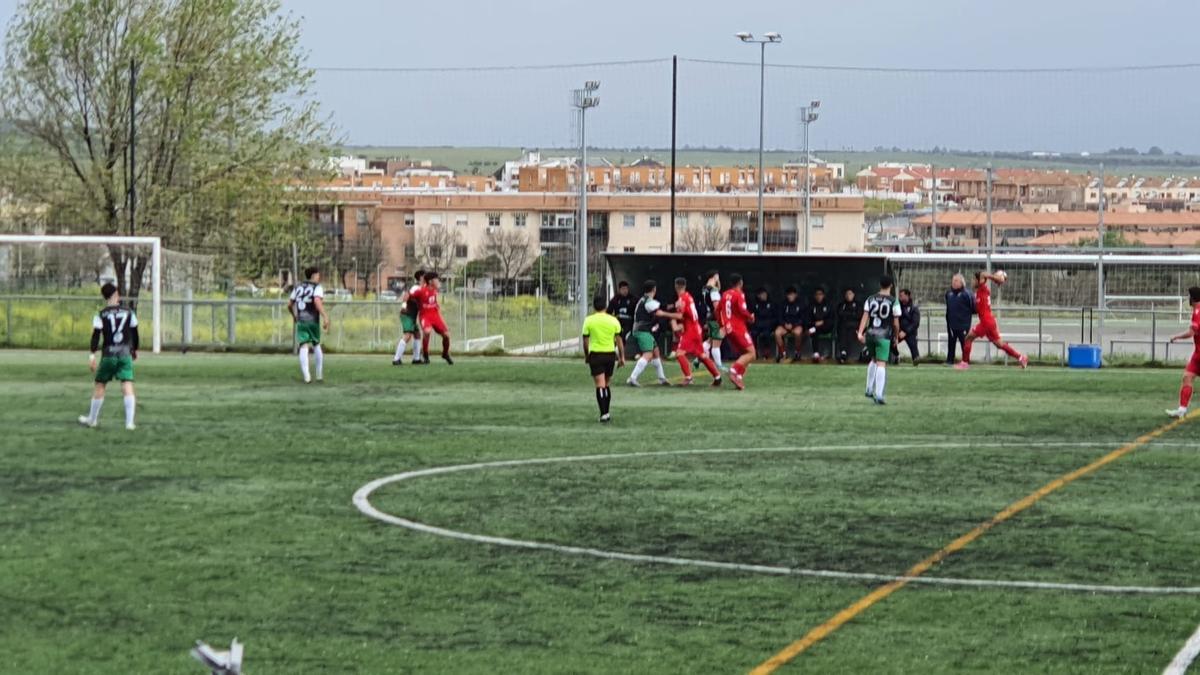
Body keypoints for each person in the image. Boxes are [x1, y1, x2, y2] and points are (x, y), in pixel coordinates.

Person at [78, 283, 138, 430]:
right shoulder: (129, 312)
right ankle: (129, 423)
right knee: (127, 384)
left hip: (108, 355)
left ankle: (92, 420)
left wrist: (92, 356)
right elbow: (135, 333)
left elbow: (95, 336)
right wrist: (134, 350)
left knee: (100, 385)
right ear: (116, 294)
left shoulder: (100, 314)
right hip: (124, 354)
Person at [957, 270, 1028, 370]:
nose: (972, 281)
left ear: (979, 281)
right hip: (989, 322)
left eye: (974, 279)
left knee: (968, 338)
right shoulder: (980, 291)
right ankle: (1021, 358)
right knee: (999, 344)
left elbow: (983, 274)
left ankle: (965, 363)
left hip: (986, 322)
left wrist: (995, 277)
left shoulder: (982, 287)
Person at [660, 277, 722, 386]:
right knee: (702, 355)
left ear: (676, 286)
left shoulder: (683, 298)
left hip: (691, 330)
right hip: (696, 328)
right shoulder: (688, 296)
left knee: (679, 353)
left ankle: (688, 378)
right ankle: (717, 377)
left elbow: (680, 315)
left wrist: (664, 314)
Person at [857, 275, 902, 405]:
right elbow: (896, 323)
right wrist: (896, 336)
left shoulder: (870, 299)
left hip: (870, 333)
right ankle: (879, 394)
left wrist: (860, 333)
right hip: (883, 335)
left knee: (873, 359)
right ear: (891, 286)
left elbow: (865, 317)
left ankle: (869, 388)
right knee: (882, 363)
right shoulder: (894, 301)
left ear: (879, 285)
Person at [582, 296, 626, 423]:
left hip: (596, 354)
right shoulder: (613, 320)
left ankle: (603, 413)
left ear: (594, 307)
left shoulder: (589, 320)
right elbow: (619, 341)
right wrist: (621, 357)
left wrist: (586, 355)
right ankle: (607, 412)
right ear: (606, 307)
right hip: (610, 355)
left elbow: (585, 341)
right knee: (606, 384)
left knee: (600, 385)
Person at [626, 280, 672, 387]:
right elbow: (659, 311)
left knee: (656, 352)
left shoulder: (644, 300)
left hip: (643, 330)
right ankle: (633, 378)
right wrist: (674, 314)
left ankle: (662, 378)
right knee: (648, 354)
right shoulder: (648, 302)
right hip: (642, 331)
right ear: (654, 289)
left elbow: (660, 306)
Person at [288, 266, 330, 383]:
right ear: (314, 275)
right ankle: (319, 375)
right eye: (318, 274)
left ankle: (307, 377)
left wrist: (295, 316)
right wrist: (325, 316)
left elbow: (289, 304)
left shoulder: (298, 287)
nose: (319, 277)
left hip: (301, 321)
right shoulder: (317, 287)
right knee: (316, 345)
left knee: (303, 346)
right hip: (313, 320)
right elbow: (317, 301)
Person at [1166, 286, 1200, 418]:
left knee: (1188, 377)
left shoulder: (1198, 311)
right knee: (1187, 377)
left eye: (1189, 296)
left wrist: (1176, 337)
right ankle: (1182, 410)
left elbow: (1192, 332)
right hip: (1198, 354)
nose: (1188, 299)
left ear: (1193, 298)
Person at [720, 273, 756, 390]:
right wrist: (750, 317)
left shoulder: (725, 294)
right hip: (738, 327)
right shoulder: (739, 294)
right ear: (740, 282)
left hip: (728, 328)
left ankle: (739, 377)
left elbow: (717, 310)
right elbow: (742, 309)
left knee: (744, 354)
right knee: (752, 354)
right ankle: (734, 371)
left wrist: (722, 324)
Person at [412, 272, 453, 365]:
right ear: (430, 281)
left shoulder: (434, 289)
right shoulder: (421, 291)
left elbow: (433, 297)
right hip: (425, 316)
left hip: (435, 316)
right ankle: (425, 354)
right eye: (436, 279)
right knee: (427, 331)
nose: (438, 281)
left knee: (446, 335)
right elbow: (409, 296)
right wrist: (405, 306)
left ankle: (445, 354)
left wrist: (436, 305)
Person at [392, 269, 424, 366]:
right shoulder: (415, 287)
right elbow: (406, 296)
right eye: (424, 276)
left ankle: (416, 359)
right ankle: (396, 359)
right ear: (420, 278)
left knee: (417, 335)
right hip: (407, 314)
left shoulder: (422, 288)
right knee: (407, 335)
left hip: (412, 316)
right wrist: (404, 307)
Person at [944, 273, 974, 366]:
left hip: (963, 325)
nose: (953, 282)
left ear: (962, 282)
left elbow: (973, 308)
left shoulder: (967, 294)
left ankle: (965, 361)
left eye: (956, 280)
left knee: (964, 343)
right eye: (953, 280)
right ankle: (949, 360)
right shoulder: (949, 293)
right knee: (951, 343)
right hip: (951, 324)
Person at [699, 270, 725, 372]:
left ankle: (698, 358)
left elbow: (718, 289)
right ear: (715, 276)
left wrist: (717, 282)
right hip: (715, 318)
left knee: (711, 339)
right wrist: (721, 319)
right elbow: (716, 306)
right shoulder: (713, 290)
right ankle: (719, 365)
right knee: (716, 342)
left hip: (709, 316)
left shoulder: (705, 288)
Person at [774, 286, 805, 363]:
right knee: (777, 333)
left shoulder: (801, 304)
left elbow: (803, 318)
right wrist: (784, 324)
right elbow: (779, 317)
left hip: (796, 325)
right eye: (789, 294)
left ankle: (797, 353)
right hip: (785, 325)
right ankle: (783, 354)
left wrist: (794, 325)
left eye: (792, 294)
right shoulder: (783, 304)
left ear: (796, 295)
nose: (790, 296)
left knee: (797, 332)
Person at [805, 288, 833, 362]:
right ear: (814, 296)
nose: (818, 296)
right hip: (815, 327)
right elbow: (807, 320)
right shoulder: (811, 306)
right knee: (813, 331)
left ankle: (827, 354)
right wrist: (814, 323)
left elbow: (831, 319)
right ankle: (816, 354)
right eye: (817, 294)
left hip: (826, 327)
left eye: (820, 294)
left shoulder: (828, 305)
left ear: (823, 295)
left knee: (814, 329)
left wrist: (823, 322)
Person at [836, 288, 863, 364]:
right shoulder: (842, 304)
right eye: (847, 294)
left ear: (853, 295)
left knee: (850, 333)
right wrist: (851, 314)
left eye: (850, 294)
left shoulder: (858, 304)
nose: (848, 296)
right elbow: (840, 314)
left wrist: (848, 315)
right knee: (842, 330)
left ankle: (846, 354)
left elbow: (858, 315)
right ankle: (843, 352)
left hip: (855, 326)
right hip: (843, 325)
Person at [607, 280, 636, 349]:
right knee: (614, 332)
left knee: (624, 333)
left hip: (629, 322)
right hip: (617, 322)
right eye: (623, 289)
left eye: (626, 289)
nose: (625, 291)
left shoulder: (633, 299)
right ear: (619, 290)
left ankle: (619, 349)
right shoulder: (615, 299)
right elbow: (608, 312)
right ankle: (611, 348)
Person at [750, 288, 776, 359]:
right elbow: (752, 316)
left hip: (768, 325)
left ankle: (766, 353)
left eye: (765, 294)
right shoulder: (755, 304)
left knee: (766, 334)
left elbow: (774, 316)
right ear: (758, 296)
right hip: (758, 325)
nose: (764, 296)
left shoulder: (771, 303)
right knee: (753, 333)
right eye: (762, 294)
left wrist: (770, 323)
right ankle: (754, 352)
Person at [897, 288, 922, 366]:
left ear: (907, 295)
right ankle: (895, 356)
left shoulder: (914, 308)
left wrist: (906, 332)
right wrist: (899, 330)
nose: (900, 297)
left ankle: (916, 359)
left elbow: (915, 323)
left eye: (902, 295)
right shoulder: (897, 307)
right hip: (899, 331)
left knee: (913, 345)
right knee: (891, 343)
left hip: (910, 332)